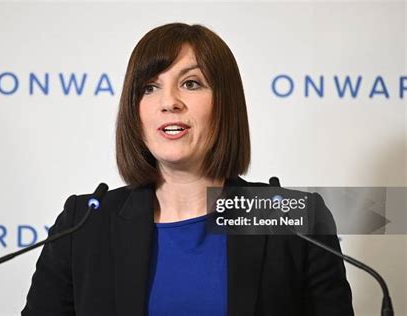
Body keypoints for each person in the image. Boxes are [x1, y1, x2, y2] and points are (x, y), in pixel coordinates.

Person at [22, 23, 354, 316]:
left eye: (191, 83)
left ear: (225, 103)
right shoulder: (82, 223)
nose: (169, 102)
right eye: (149, 87)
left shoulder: (293, 219)